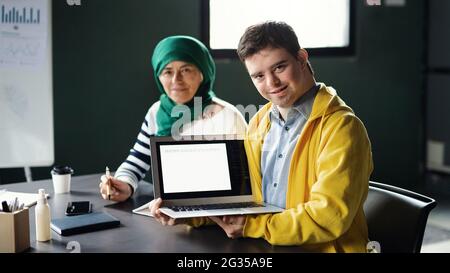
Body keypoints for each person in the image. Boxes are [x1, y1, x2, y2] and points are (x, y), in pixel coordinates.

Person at [206, 21, 374, 252]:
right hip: (268, 247)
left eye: (279, 67)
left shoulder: (342, 128)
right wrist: (192, 214)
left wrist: (254, 226)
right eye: (258, 76)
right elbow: (243, 194)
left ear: (302, 58)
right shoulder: (259, 122)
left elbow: (328, 216)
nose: (271, 83)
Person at [99, 36, 247, 202]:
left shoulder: (227, 117)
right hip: (167, 211)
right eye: (167, 71)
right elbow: (137, 160)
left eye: (185, 70)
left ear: (203, 74)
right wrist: (124, 185)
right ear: (158, 77)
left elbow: (243, 183)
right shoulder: (157, 112)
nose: (176, 80)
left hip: (218, 215)